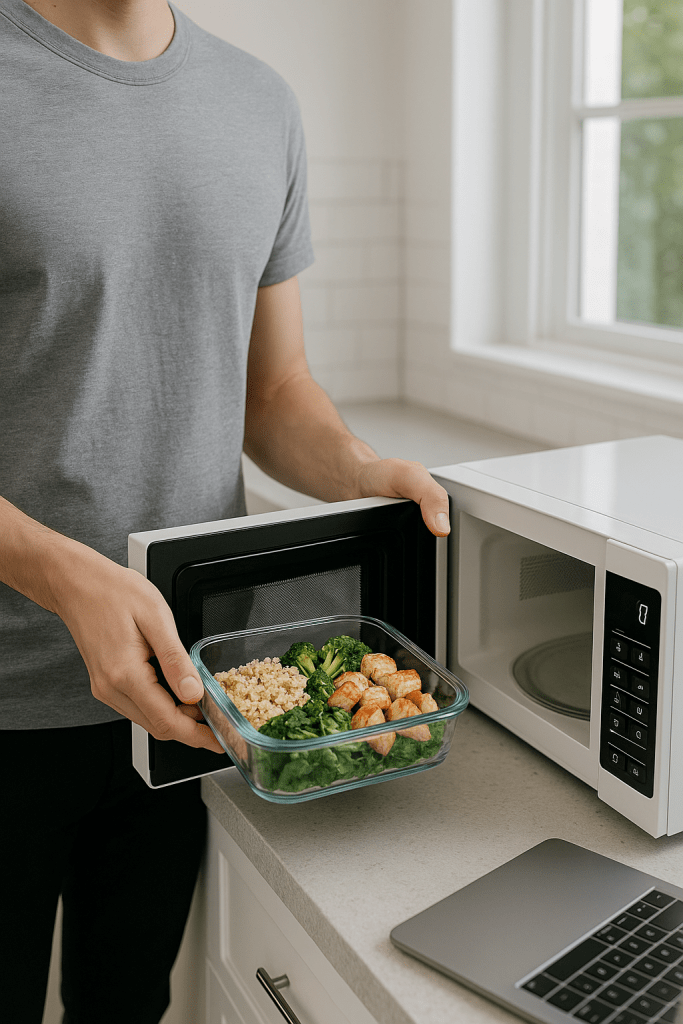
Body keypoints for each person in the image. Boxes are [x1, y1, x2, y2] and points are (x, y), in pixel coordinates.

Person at [0, 1, 451, 1021]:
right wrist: (63, 575)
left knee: (127, 1000)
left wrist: (357, 469)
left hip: (193, 689)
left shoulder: (258, 103)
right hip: (6, 695)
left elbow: (274, 391)